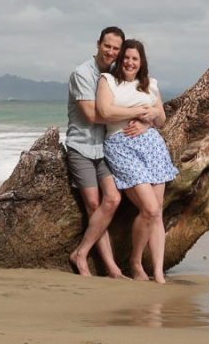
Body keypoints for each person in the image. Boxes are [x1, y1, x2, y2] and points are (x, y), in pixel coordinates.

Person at [70, 39, 178, 283]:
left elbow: (161, 119)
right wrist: (139, 112)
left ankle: (158, 273)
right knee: (150, 208)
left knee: (157, 212)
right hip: (121, 146)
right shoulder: (108, 80)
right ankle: (135, 263)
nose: (130, 62)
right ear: (121, 60)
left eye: (135, 59)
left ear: (142, 62)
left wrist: (151, 117)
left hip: (152, 147)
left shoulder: (150, 84)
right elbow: (105, 112)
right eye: (126, 57)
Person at [66, 27, 149, 278]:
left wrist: (145, 121)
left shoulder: (115, 75)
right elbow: (94, 115)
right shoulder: (82, 73)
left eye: (116, 48)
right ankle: (101, 263)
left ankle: (87, 255)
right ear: (98, 44)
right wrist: (136, 113)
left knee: (112, 199)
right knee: (93, 204)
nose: (111, 52)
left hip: (103, 148)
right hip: (81, 146)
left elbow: (139, 101)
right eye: (107, 46)